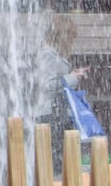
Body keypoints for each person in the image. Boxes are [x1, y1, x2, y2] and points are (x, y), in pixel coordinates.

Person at [35, 14, 89, 173]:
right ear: (62, 35)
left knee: (61, 158)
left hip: (56, 113)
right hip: (49, 114)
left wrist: (73, 74)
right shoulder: (48, 54)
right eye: (71, 37)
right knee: (56, 161)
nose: (72, 42)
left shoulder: (53, 53)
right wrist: (72, 78)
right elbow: (46, 85)